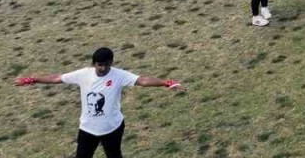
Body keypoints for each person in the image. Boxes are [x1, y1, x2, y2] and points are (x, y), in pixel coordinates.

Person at [14, 46, 184, 158]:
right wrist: (33, 79)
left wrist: (166, 83)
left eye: (105, 65)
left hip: (112, 128)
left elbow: (143, 80)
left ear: (111, 63)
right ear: (93, 63)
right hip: (87, 129)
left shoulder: (119, 75)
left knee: (114, 156)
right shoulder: (84, 74)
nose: (101, 68)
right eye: (98, 65)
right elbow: (57, 78)